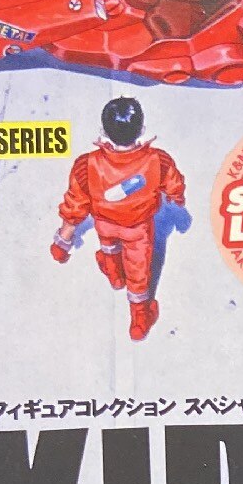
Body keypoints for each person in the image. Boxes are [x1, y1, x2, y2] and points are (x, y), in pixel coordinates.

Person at [51, 96, 185, 341]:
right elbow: (174, 184)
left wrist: (63, 240)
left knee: (109, 246)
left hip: (104, 223)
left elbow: (75, 204)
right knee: (138, 272)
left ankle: (114, 275)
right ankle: (140, 319)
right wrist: (177, 198)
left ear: (104, 131)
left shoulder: (86, 165)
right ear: (142, 129)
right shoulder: (158, 160)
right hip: (139, 229)